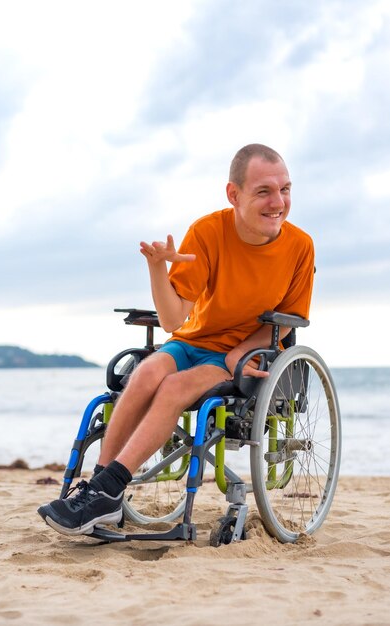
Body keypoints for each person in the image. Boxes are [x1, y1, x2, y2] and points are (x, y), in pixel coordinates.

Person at [38, 143, 314, 536]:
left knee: (173, 388)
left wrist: (239, 352)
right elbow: (172, 319)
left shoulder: (300, 246)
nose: (278, 202)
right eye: (264, 192)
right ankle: (102, 489)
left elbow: (290, 318)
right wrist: (156, 269)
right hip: (191, 340)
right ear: (233, 195)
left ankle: (107, 490)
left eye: (285, 189)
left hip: (241, 353)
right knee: (148, 371)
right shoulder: (207, 232)